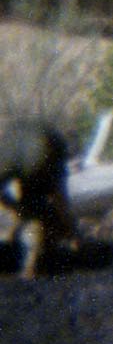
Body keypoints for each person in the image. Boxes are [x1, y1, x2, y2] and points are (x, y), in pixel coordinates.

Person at [0, 118, 76, 280]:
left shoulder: (9, 143)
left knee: (34, 209)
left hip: (32, 155)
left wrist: (14, 207)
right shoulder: (24, 138)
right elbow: (59, 195)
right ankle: (34, 261)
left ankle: (31, 262)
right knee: (40, 207)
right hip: (44, 152)